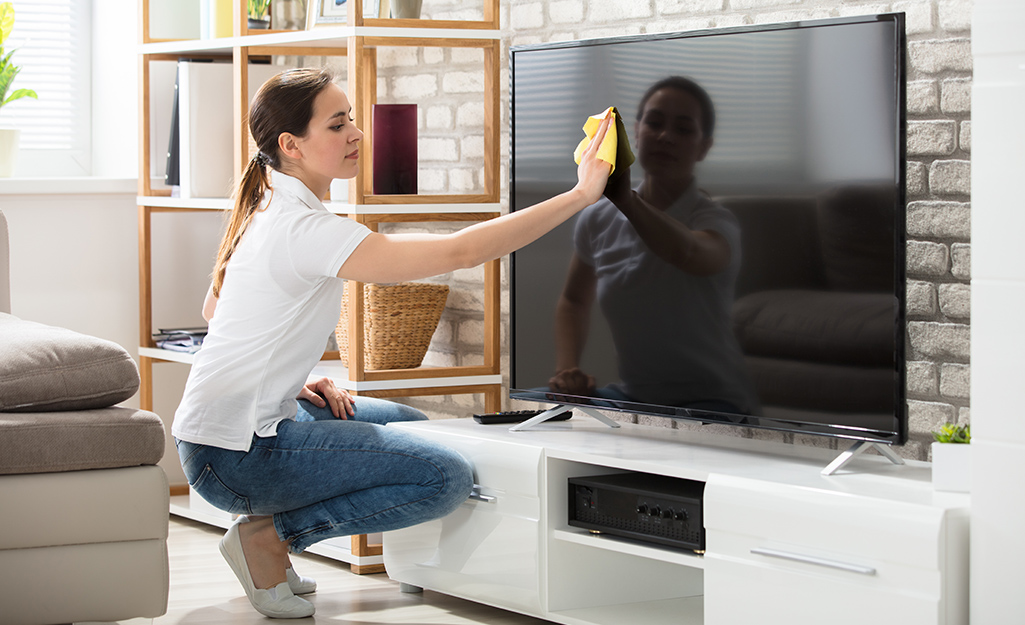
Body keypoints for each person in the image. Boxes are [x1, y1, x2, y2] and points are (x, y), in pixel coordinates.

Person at [171, 67, 613, 619]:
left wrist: (291, 379)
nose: (357, 133)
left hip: (230, 434)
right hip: (237, 456)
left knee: (408, 425)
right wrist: (580, 194)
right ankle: (270, 536)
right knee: (442, 477)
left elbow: (217, 311)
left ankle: (268, 533)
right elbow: (459, 253)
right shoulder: (304, 229)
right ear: (291, 145)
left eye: (351, 118)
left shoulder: (272, 208)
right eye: (338, 124)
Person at [549, 76, 758, 416]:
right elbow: (573, 300)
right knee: (542, 413)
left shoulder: (717, 220)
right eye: (655, 122)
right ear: (637, 129)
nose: (665, 136)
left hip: (714, 402)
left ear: (704, 146)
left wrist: (627, 201)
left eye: (684, 129)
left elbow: (689, 253)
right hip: (634, 397)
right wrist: (566, 371)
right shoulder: (598, 219)